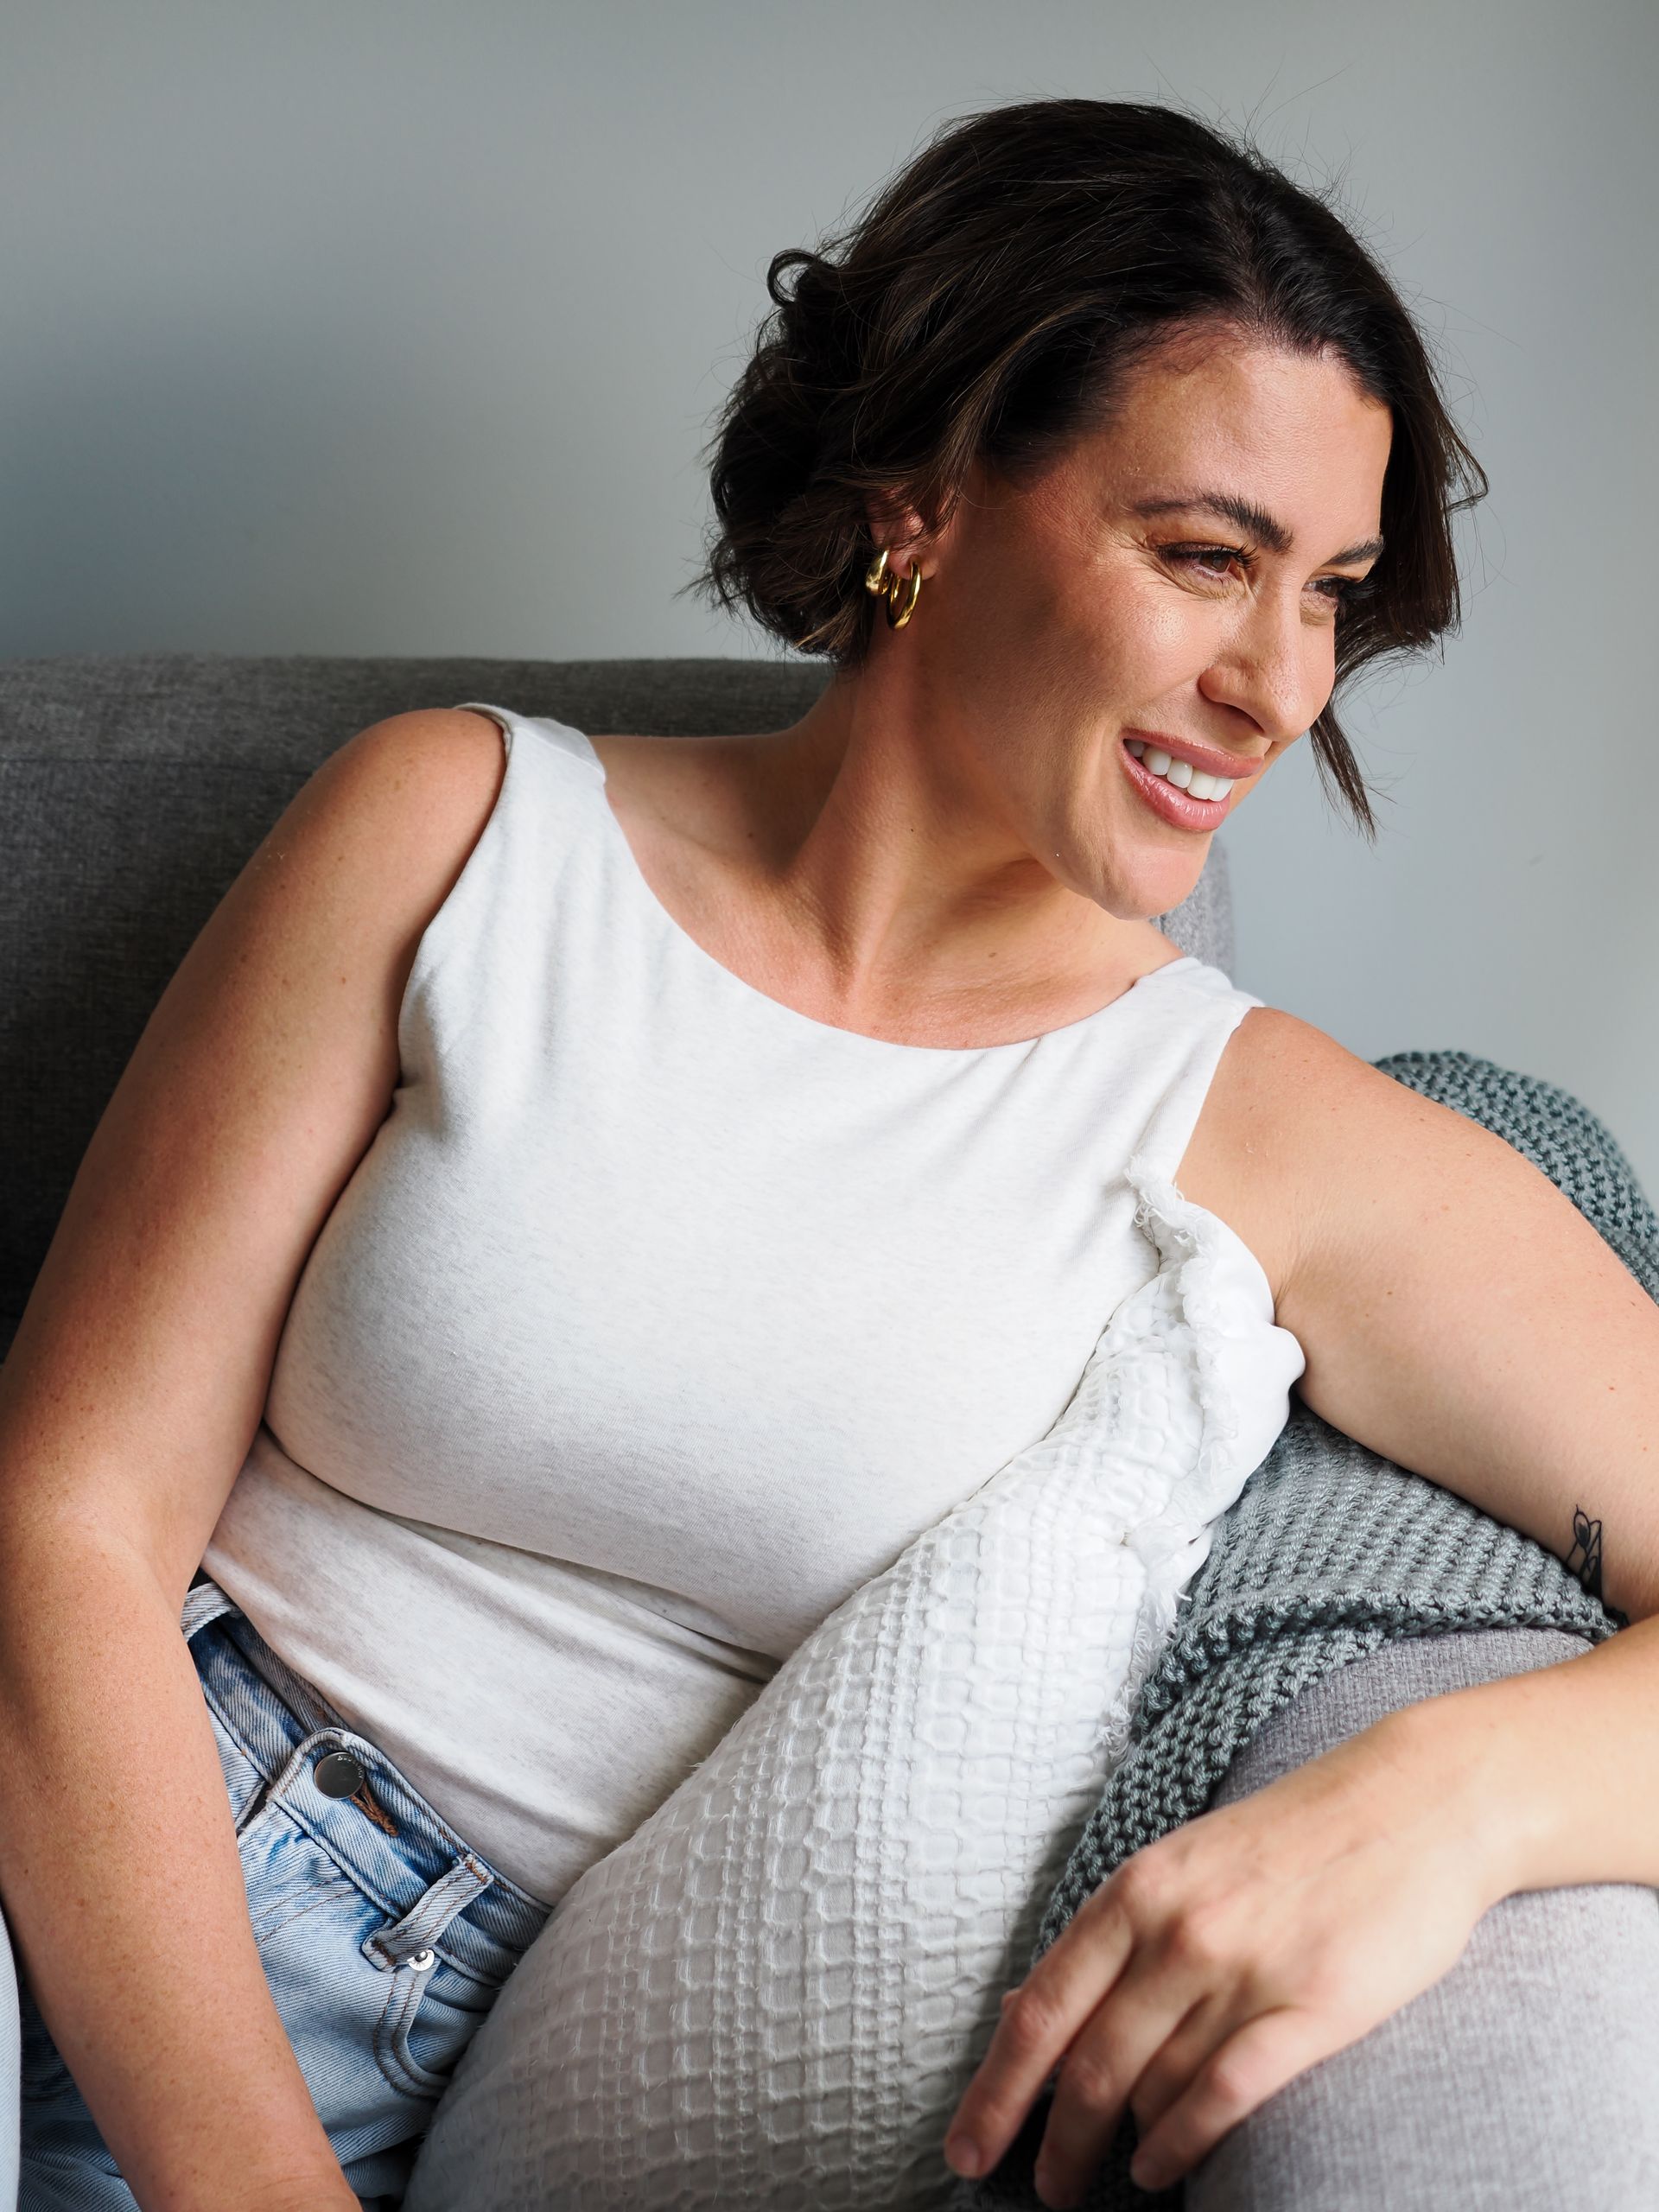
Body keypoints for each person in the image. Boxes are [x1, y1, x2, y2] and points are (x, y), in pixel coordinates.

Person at [1, 92, 1656, 2212]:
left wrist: (1459, 1792)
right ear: (928, 501)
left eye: (1331, 592)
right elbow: (65, 1515)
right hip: (90, 1813)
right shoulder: (458, 826)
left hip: (453, 2031)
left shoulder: (1262, 1128)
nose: (1280, 683)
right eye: (1204, 555)